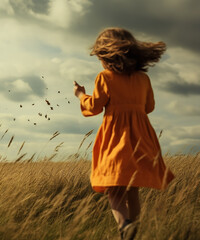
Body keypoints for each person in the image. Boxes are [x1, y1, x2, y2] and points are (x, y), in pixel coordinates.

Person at [73, 28, 174, 240]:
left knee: (115, 190)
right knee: (132, 189)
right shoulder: (143, 79)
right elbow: (149, 107)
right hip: (141, 137)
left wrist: (81, 95)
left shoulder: (105, 77)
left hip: (115, 138)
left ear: (106, 55)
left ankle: (124, 226)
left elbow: (95, 107)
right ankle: (133, 230)